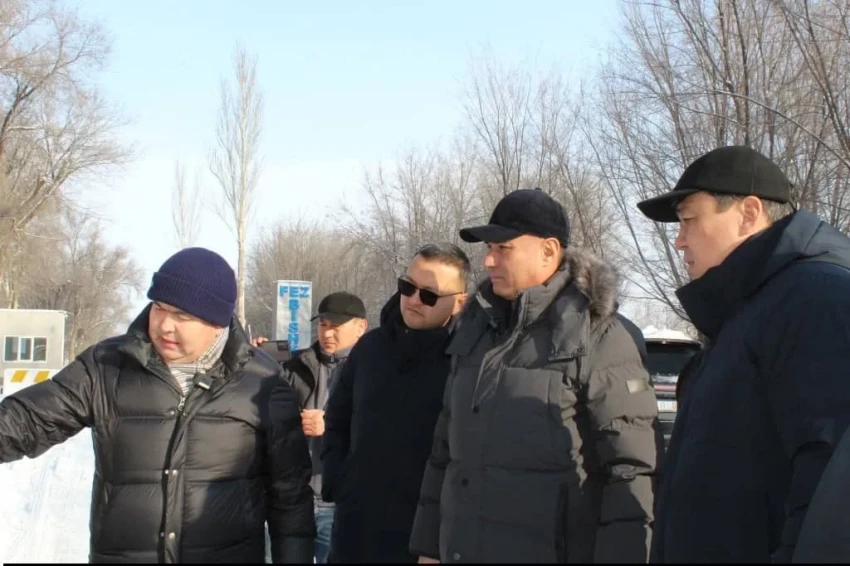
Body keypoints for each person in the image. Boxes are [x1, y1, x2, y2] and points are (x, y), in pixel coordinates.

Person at [0, 247, 315, 563]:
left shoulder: (262, 382)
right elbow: (28, 420)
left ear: (217, 323)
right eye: (159, 307)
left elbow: (289, 498)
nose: (164, 325)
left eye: (182, 316)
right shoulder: (106, 367)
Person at [410, 189, 659, 564]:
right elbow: (445, 452)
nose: (488, 260)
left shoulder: (600, 336)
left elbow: (632, 471)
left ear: (548, 250)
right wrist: (429, 547)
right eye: (488, 248)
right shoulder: (476, 330)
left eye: (503, 248)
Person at [636, 145, 850, 562]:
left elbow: (827, 481)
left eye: (688, 220)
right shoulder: (745, 316)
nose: (679, 241)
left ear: (748, 214)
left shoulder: (815, 299)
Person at [321, 243, 470, 563]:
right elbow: (337, 419)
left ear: (460, 302)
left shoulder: (467, 362)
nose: (414, 300)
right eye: (407, 287)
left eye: (429, 295)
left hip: (424, 539)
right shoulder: (370, 349)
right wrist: (339, 480)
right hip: (355, 529)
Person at [279, 291, 368, 563]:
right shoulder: (295, 366)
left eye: (336, 326)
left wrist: (328, 425)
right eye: (323, 324)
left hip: (340, 502)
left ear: (361, 327)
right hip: (294, 498)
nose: (327, 334)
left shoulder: (374, 370)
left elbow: (381, 430)